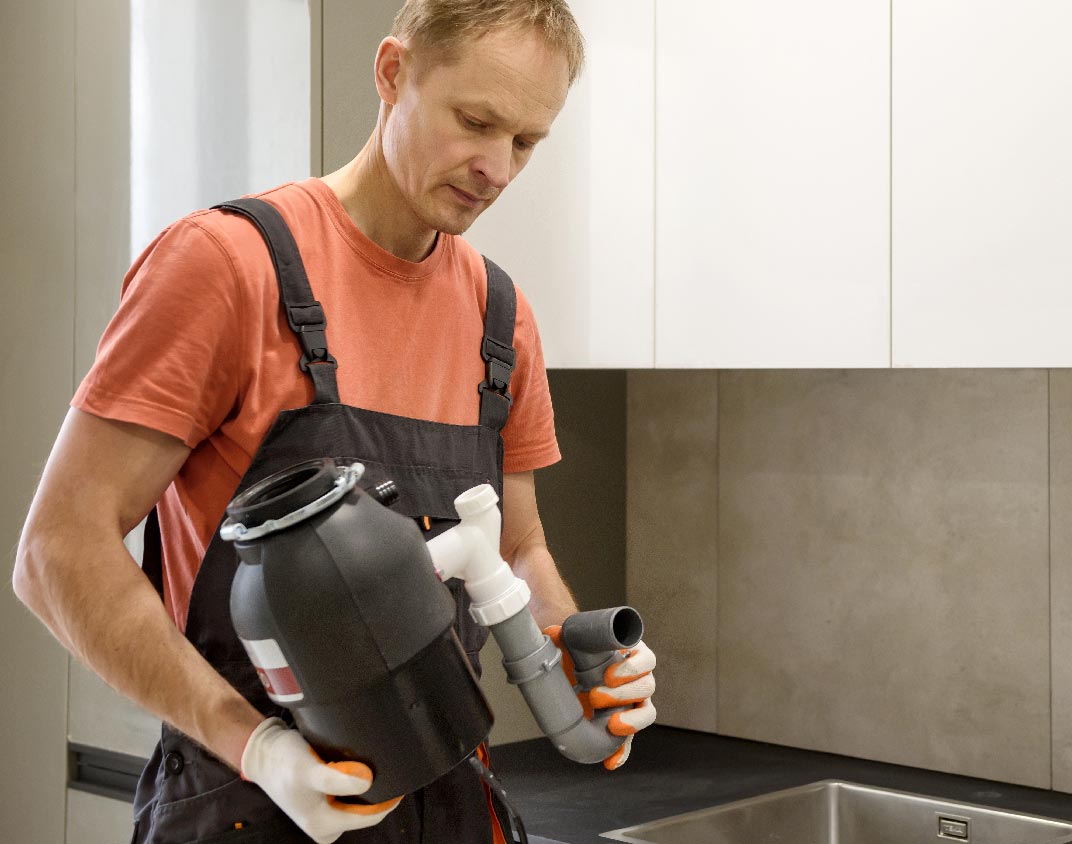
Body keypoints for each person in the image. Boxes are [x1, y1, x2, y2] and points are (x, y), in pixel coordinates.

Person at [11, 2, 656, 842]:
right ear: (392, 73)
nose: (496, 166)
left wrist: (570, 654)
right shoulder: (227, 266)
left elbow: (515, 549)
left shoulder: (501, 316)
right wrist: (262, 749)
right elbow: (57, 551)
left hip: (450, 808)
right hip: (249, 805)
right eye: (475, 121)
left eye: (526, 142)